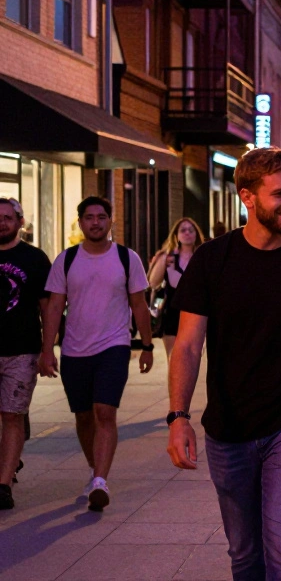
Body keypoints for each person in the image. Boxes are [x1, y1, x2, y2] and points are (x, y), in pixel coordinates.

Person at [166, 148, 281, 580]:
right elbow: (189, 346)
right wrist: (178, 416)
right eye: (280, 194)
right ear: (248, 198)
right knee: (245, 555)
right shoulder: (213, 260)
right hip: (228, 429)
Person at [41, 196, 153, 512]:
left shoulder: (126, 258)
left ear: (110, 221)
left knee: (105, 411)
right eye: (89, 217)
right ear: (81, 222)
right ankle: (95, 470)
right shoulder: (66, 260)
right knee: (84, 416)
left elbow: (139, 305)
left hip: (114, 346)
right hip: (75, 350)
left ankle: (101, 480)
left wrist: (146, 345)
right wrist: (47, 349)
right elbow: (53, 308)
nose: (95, 222)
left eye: (101, 217)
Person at [0, 198, 51, 510]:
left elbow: (48, 307)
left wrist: (48, 350)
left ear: (19, 222)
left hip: (21, 350)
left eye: (7, 217)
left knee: (12, 415)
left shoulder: (34, 259)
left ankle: (3, 485)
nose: (2, 222)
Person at [147, 217, 205, 358]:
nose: (187, 233)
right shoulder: (168, 257)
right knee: (173, 358)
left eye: (191, 230)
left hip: (195, 314)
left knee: (192, 357)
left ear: (196, 235)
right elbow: (153, 282)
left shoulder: (202, 257)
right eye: (183, 230)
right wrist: (163, 259)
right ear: (176, 235)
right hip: (171, 314)